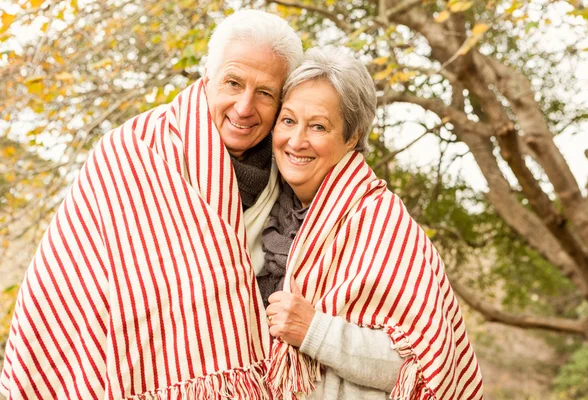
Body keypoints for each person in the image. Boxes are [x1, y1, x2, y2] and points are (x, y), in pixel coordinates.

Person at [0, 10, 302, 399]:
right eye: (232, 82)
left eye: (264, 93)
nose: (244, 107)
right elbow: (66, 284)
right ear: (206, 77)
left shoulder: (294, 169)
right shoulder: (132, 150)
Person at [261, 47, 484, 399]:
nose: (297, 140)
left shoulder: (381, 221)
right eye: (288, 121)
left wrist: (314, 330)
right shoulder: (263, 211)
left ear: (352, 137)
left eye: (318, 126)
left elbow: (423, 366)